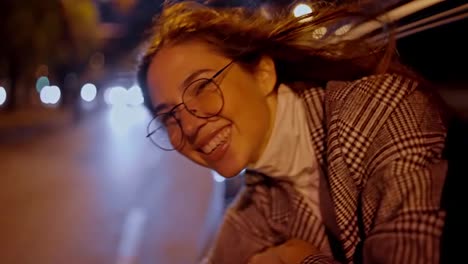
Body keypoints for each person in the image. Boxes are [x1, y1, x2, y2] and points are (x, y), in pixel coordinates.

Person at [136, 1, 453, 263]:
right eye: (169, 117)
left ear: (262, 73)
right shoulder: (255, 211)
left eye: (203, 86)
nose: (188, 127)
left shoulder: (376, 111)